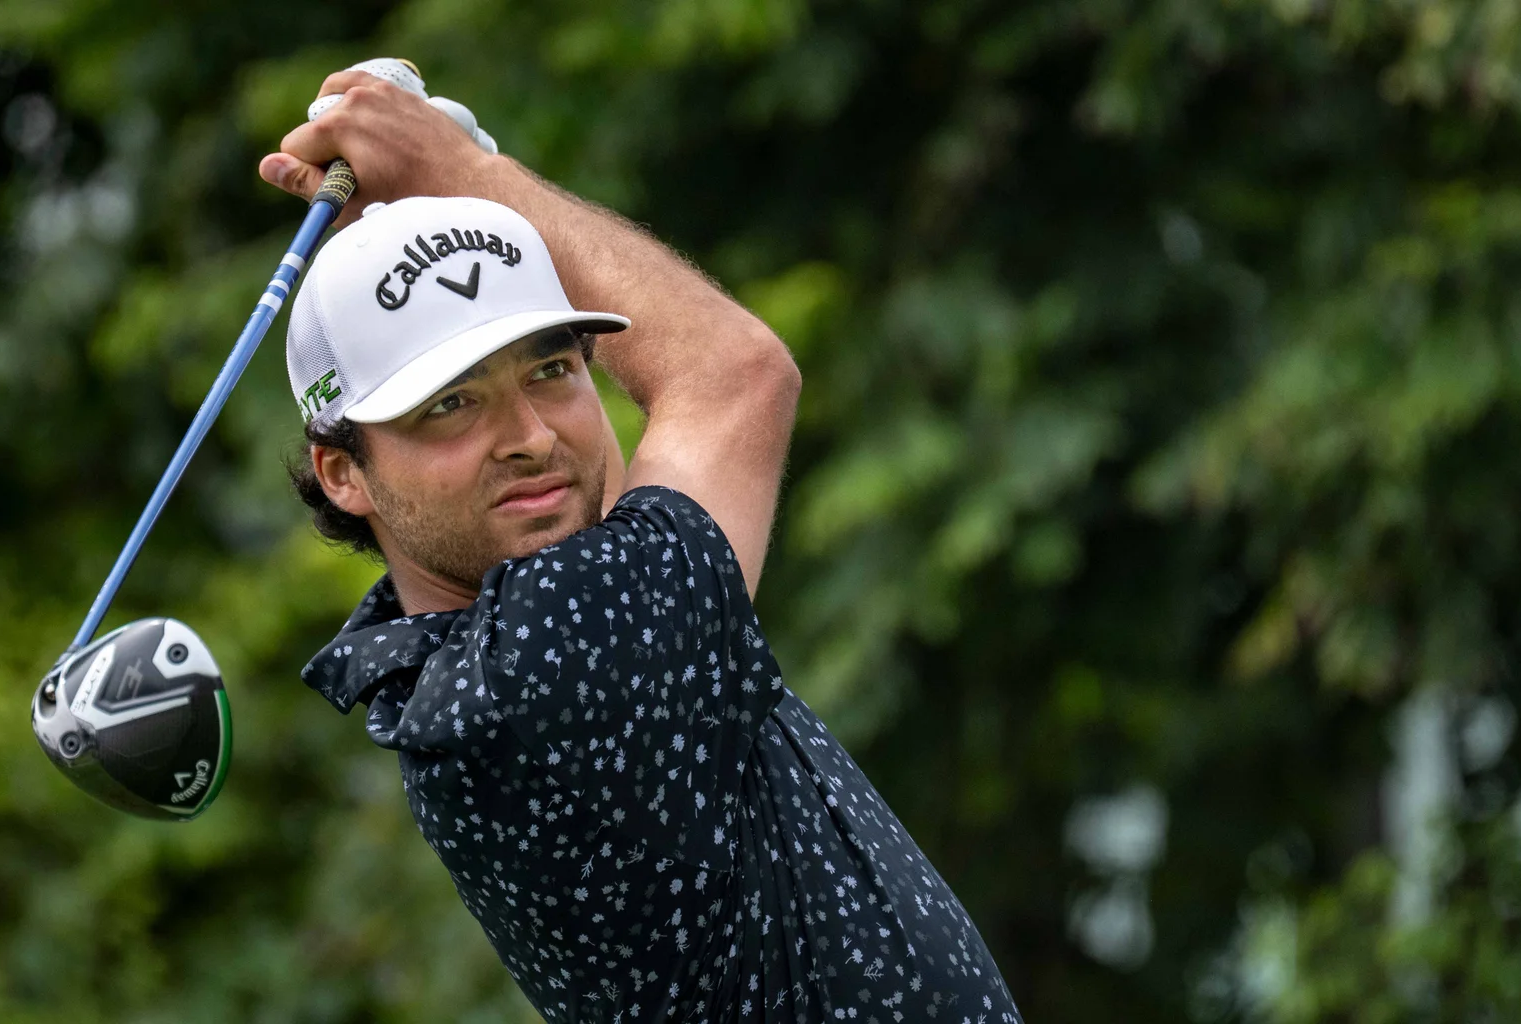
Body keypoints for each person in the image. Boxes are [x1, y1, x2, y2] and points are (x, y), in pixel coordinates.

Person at [258, 61, 1020, 1023]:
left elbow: (598, 488)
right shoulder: (546, 666)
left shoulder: (479, 648)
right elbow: (734, 374)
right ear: (343, 473)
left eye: (552, 368)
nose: (530, 435)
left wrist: (464, 188)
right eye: (451, 405)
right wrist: (459, 168)